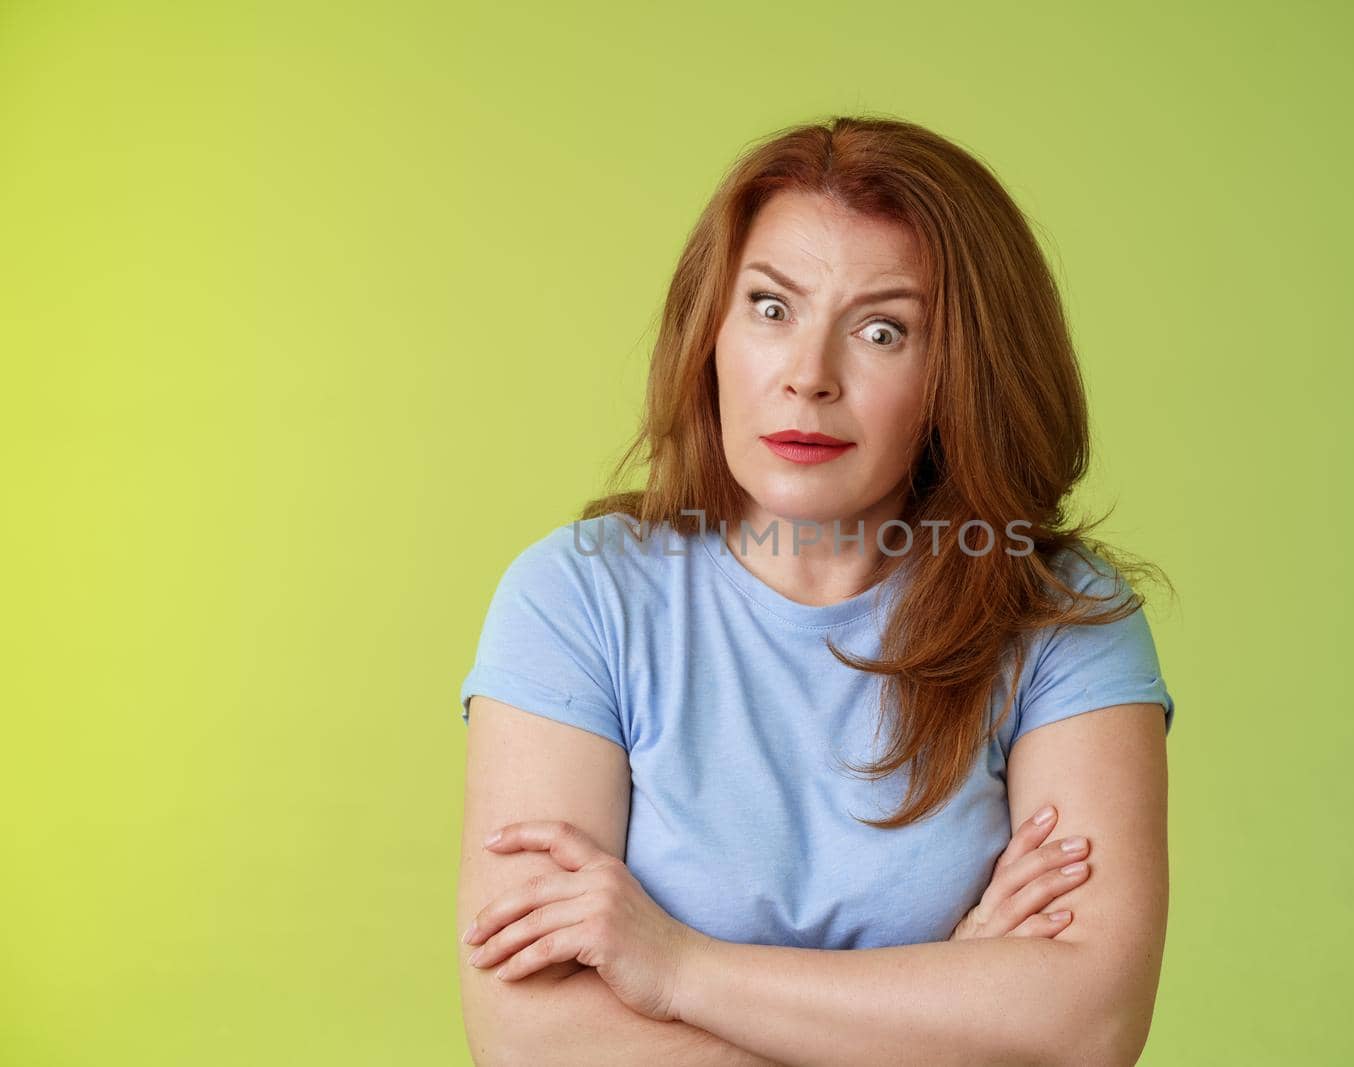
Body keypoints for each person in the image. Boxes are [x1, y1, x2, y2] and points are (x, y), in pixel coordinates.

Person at [454, 114, 1176, 1066]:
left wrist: (675, 968)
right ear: (709, 330)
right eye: (769, 307)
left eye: (882, 329)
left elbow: (1087, 1026)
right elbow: (531, 1033)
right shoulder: (576, 596)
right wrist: (947, 1010)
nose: (808, 377)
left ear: (963, 370)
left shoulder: (1064, 620)